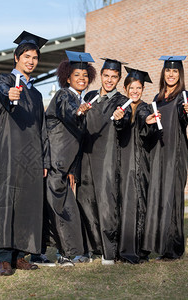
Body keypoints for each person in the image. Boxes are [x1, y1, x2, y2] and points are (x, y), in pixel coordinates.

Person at [0, 31, 50, 276]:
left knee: (27, 204)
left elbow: (43, 130)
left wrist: (45, 160)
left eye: (35, 57)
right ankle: (4, 257)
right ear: (17, 57)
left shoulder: (36, 94)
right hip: (9, 153)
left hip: (32, 158)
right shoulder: (5, 81)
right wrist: (10, 94)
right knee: (6, 203)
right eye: (27, 56)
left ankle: (19, 255)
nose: (31, 61)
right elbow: (2, 92)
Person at [45, 50, 96, 267]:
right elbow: (69, 113)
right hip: (55, 162)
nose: (82, 79)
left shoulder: (77, 98)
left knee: (67, 207)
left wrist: (73, 167)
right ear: (67, 77)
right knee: (59, 208)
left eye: (85, 76)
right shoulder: (64, 96)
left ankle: (73, 251)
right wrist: (79, 113)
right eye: (77, 75)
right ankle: (64, 253)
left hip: (64, 165)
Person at [77, 58, 129, 265]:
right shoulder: (90, 96)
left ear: (119, 78)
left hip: (107, 156)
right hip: (86, 155)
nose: (109, 80)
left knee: (107, 203)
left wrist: (121, 118)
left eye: (114, 77)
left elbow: (124, 126)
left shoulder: (121, 101)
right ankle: (91, 248)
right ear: (101, 75)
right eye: (106, 75)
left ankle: (109, 250)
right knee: (86, 200)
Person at [142, 56, 188, 260]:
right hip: (159, 152)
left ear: (180, 74)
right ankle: (158, 245)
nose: (171, 74)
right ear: (163, 74)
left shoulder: (184, 96)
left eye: (175, 72)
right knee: (158, 196)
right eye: (168, 71)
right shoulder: (158, 97)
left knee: (172, 198)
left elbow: (187, 117)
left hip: (175, 154)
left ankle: (173, 249)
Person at [114, 67, 157, 264]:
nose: (135, 91)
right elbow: (118, 125)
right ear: (125, 88)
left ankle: (139, 250)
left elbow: (145, 124)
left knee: (139, 203)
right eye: (132, 87)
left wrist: (148, 122)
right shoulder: (120, 106)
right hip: (122, 162)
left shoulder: (146, 108)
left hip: (140, 163)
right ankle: (122, 248)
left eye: (139, 88)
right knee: (122, 203)